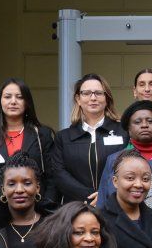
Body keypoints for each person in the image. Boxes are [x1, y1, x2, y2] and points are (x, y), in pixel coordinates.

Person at [0, 78, 57, 216]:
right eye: (7, 97)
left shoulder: (42, 135)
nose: (13, 101)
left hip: (36, 211)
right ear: (0, 102)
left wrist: (47, 209)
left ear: (27, 102)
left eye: (19, 97)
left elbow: (52, 178)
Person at [51, 74, 130, 204]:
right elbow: (60, 174)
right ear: (78, 99)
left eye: (98, 93)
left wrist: (105, 193)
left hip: (115, 205)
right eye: (86, 93)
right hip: (76, 208)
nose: (93, 98)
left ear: (107, 98)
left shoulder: (123, 133)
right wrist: (90, 196)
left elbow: (128, 168)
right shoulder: (63, 137)